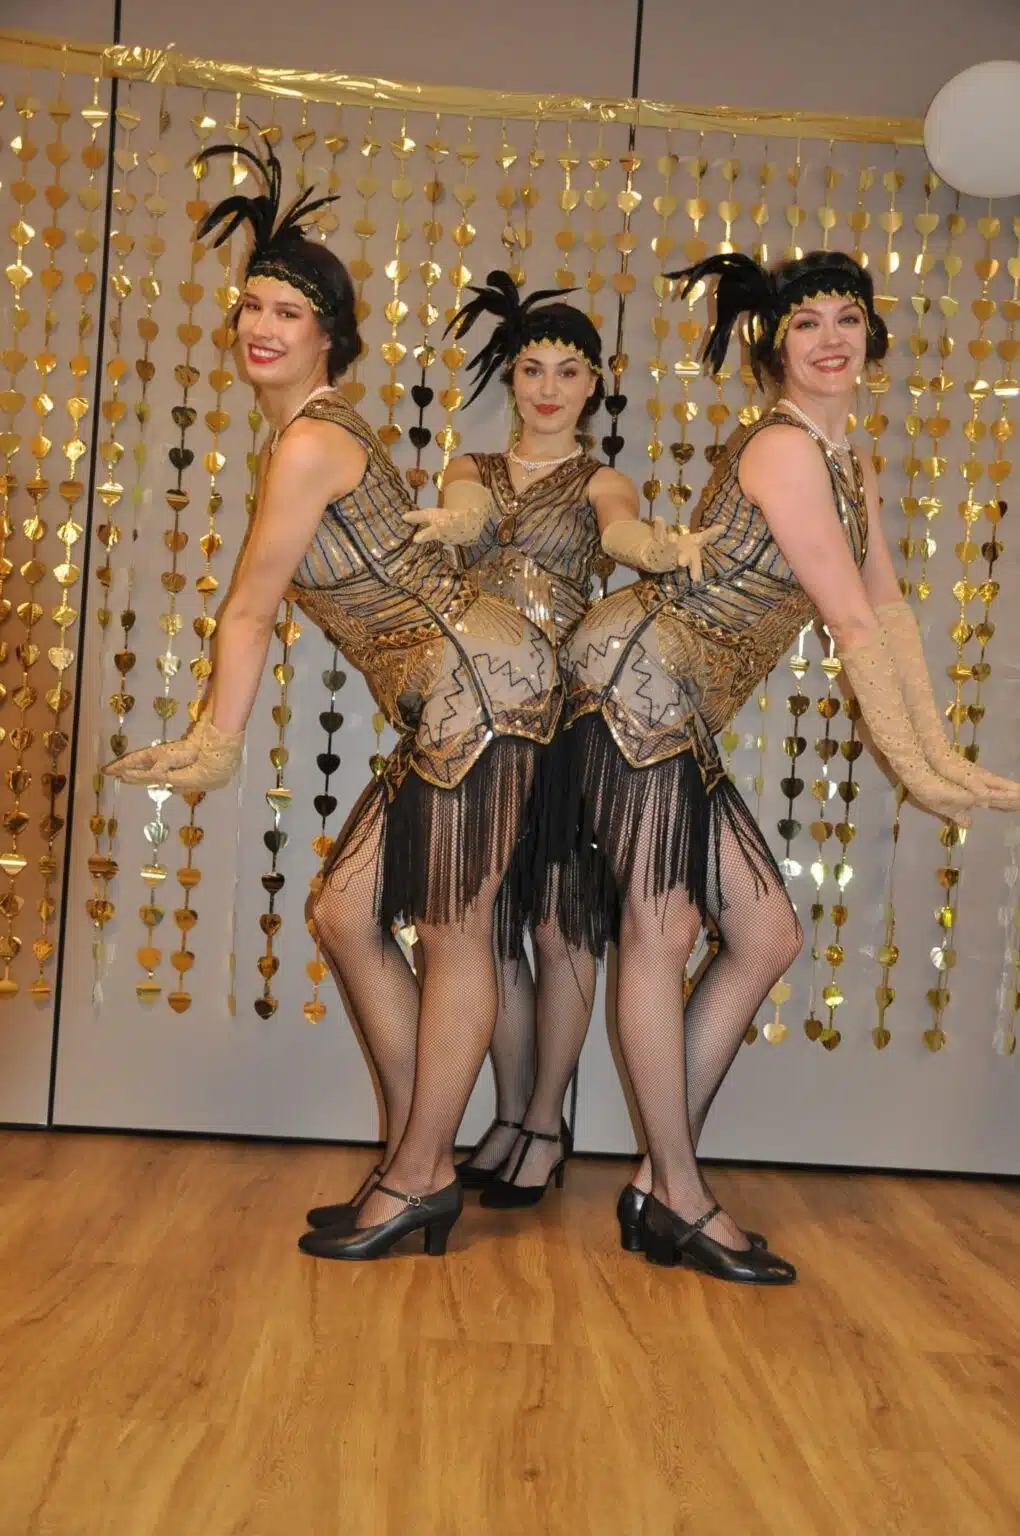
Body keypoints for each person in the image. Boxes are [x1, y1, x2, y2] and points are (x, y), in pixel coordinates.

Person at [105, 135, 563, 1262]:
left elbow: (249, 609)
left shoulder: (311, 440)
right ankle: (418, 1156)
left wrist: (215, 742)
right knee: (345, 914)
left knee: (453, 930)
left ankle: (417, 1176)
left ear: (328, 337)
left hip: (481, 687)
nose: (259, 326)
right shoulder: (307, 433)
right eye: (250, 307)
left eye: (287, 313)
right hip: (454, 691)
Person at [556, 250, 1020, 1285]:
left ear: (871, 337)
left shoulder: (844, 459)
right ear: (775, 347)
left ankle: (656, 1180)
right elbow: (847, 619)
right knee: (663, 932)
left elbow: (885, 607)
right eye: (806, 322)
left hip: (678, 699)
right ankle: (679, 1195)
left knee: (765, 933)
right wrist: (918, 771)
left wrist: (937, 752)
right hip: (633, 679)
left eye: (846, 317)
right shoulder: (781, 448)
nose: (830, 338)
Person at [406, 271, 704, 1206]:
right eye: (532, 368)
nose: (547, 387)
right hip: (481, 718)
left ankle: (544, 1122)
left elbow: (620, 536)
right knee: (483, 925)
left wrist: (657, 549)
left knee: (558, 923)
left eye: (567, 371)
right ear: (512, 377)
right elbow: (469, 515)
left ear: (594, 383)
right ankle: (506, 1116)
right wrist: (451, 524)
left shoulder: (604, 480)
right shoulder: (471, 468)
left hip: (570, 720)